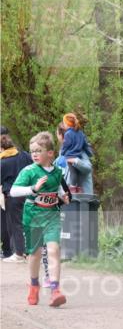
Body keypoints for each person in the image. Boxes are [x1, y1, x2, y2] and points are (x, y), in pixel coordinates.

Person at [9, 131, 71, 307]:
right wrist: (33, 189)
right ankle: (34, 285)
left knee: (54, 250)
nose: (34, 154)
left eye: (38, 150)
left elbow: (57, 187)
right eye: (32, 151)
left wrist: (62, 197)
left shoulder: (57, 171)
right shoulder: (28, 171)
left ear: (50, 153)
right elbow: (13, 191)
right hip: (33, 215)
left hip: (51, 215)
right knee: (35, 254)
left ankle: (55, 290)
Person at [1, 126, 32, 262]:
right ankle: (27, 251)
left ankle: (19, 253)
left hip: (12, 196)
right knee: (27, 223)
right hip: (28, 193)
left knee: (15, 225)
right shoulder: (24, 155)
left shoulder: (2, 162)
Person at [56, 114, 94, 194]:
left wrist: (75, 161)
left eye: (57, 134)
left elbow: (88, 168)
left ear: (62, 136)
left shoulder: (80, 153)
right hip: (68, 200)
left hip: (83, 202)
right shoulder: (61, 157)